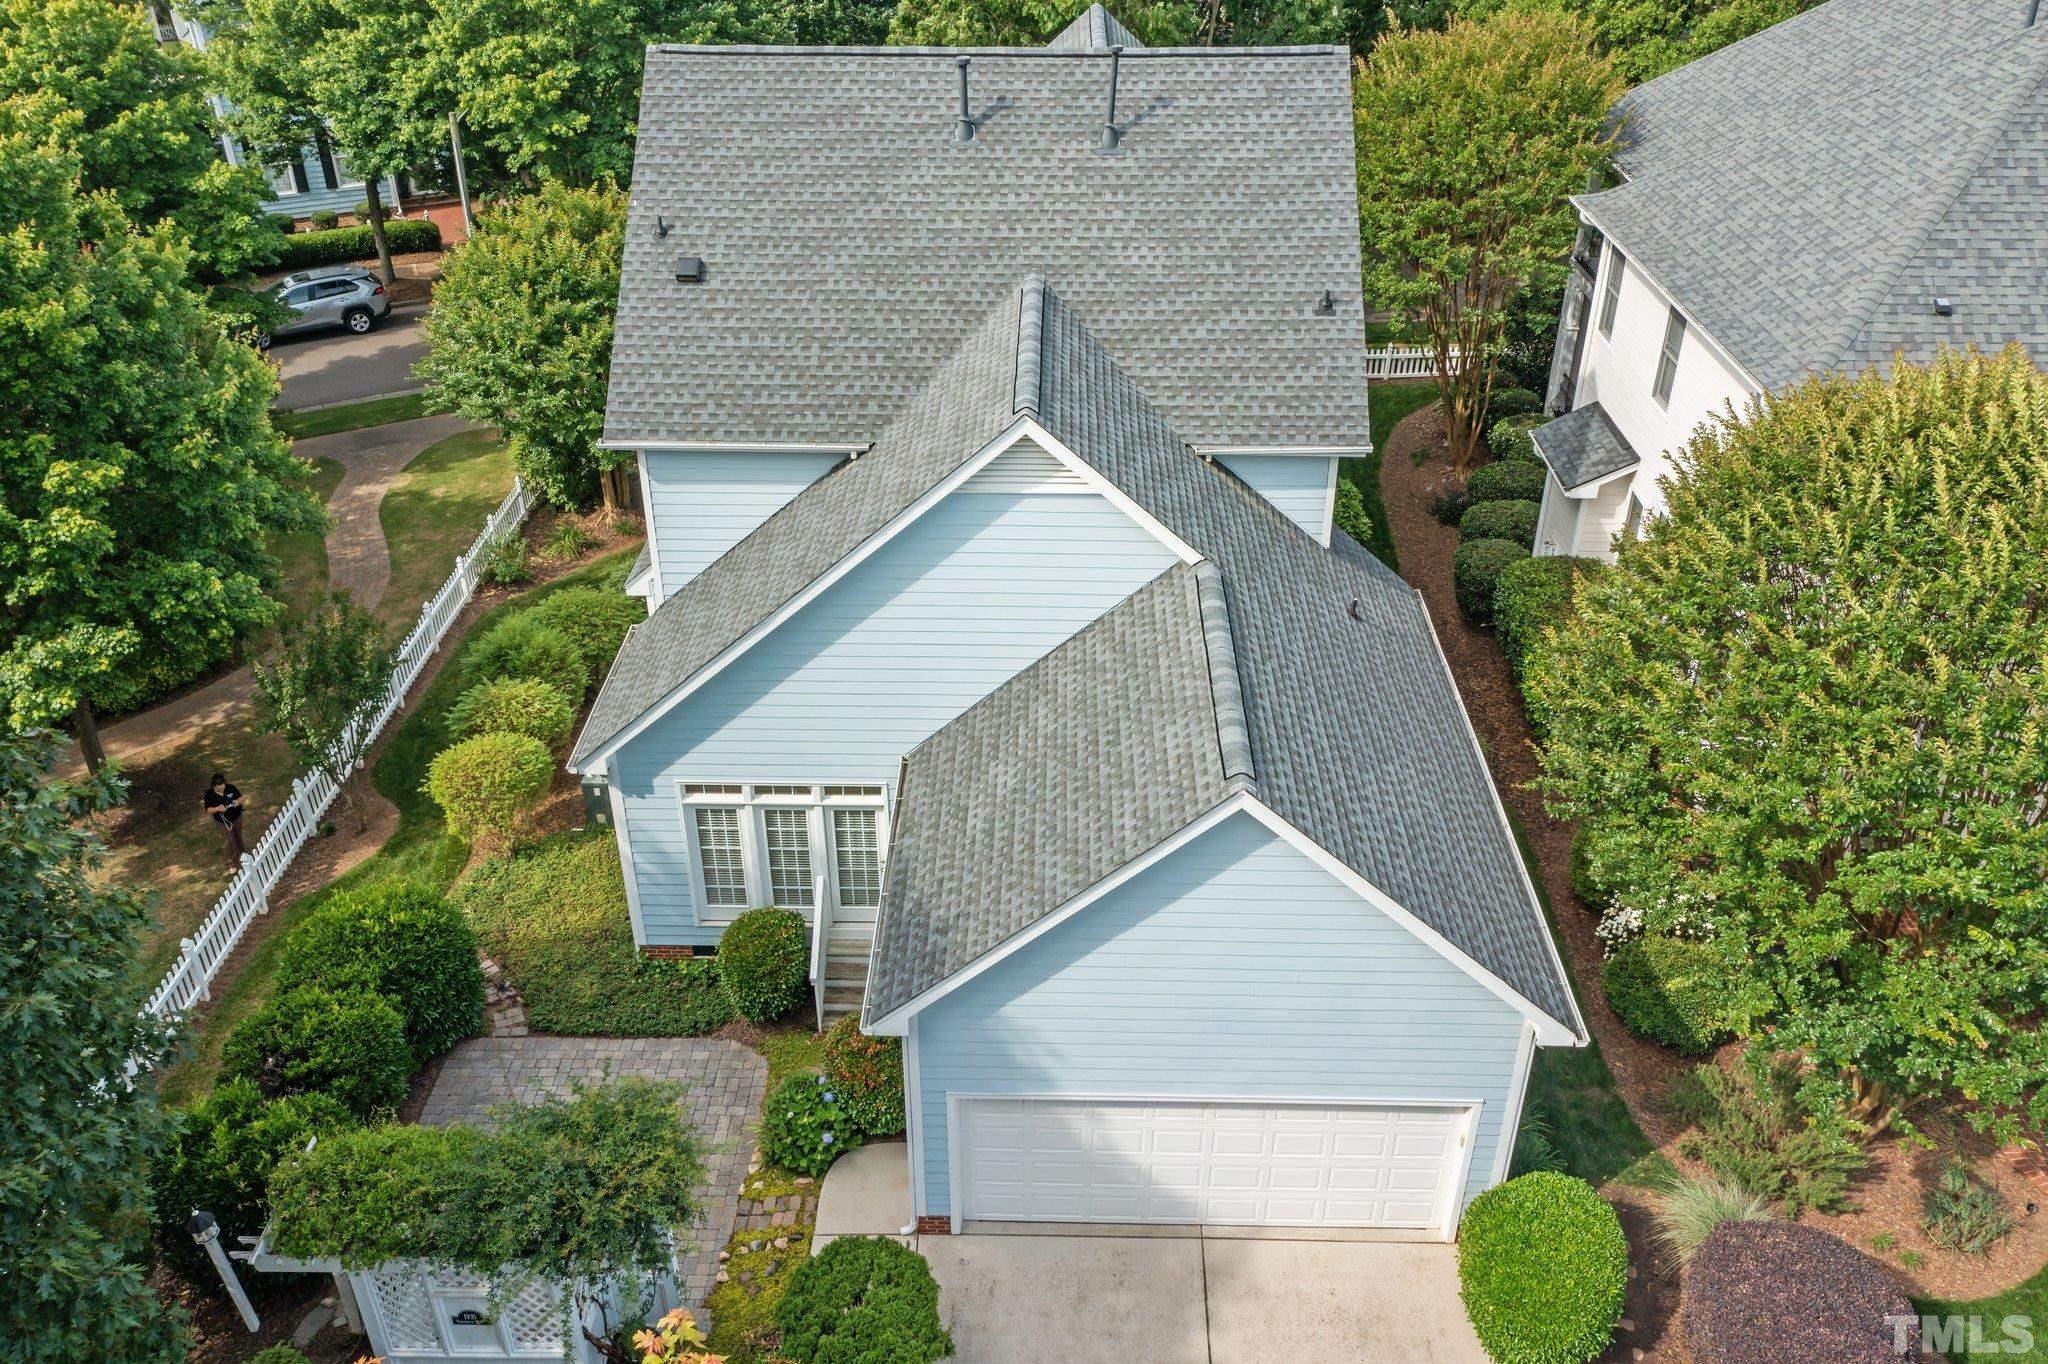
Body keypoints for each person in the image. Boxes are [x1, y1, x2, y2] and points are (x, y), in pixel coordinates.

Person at [203, 773, 247, 869]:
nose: (222, 789)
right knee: (229, 842)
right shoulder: (209, 795)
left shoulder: (230, 788)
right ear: (214, 786)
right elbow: (208, 809)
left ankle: (244, 856)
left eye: (223, 786)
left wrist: (237, 802)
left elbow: (241, 798)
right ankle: (233, 863)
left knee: (238, 837)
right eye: (219, 788)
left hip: (236, 817)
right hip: (223, 822)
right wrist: (218, 808)